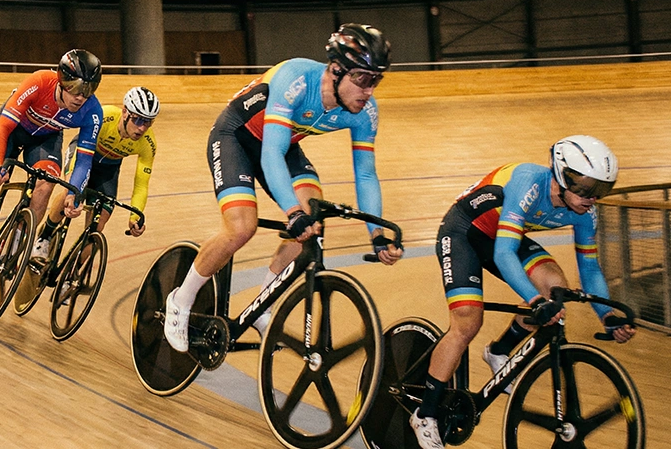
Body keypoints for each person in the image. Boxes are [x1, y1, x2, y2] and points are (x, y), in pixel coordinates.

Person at [163, 24, 403, 353]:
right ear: (336, 70)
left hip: (283, 145)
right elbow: (270, 153)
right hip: (235, 137)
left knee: (313, 219)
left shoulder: (364, 113)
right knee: (242, 228)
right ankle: (181, 299)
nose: (369, 90)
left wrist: (377, 233)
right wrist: (292, 213)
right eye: (362, 78)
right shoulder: (296, 79)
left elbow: (365, 174)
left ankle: (263, 305)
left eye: (376, 80)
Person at [409, 135, 637, 449]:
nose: (592, 199)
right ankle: (425, 413)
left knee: (555, 288)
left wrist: (607, 315)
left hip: (505, 235)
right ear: (561, 175)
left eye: (601, 190)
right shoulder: (528, 182)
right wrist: (533, 301)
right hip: (464, 231)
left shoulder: (585, 212)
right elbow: (504, 253)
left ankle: (499, 351)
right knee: (467, 322)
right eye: (586, 189)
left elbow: (590, 268)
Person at [0, 49, 104, 265]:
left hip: (44, 140)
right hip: (12, 129)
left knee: (46, 186)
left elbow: (83, 160)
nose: (81, 97)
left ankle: (14, 247)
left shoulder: (92, 112)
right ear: (62, 80)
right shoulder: (39, 82)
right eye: (76, 88)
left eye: (89, 90)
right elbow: (4, 125)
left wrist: (75, 193)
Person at [32, 86, 160, 261]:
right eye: (138, 120)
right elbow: (81, 159)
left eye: (148, 122)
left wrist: (135, 216)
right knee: (70, 192)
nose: (142, 128)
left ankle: (73, 276)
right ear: (125, 113)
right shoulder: (105, 116)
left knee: (97, 226)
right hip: (84, 153)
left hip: (108, 170)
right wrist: (73, 189)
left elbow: (141, 185)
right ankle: (45, 236)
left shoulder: (148, 143)